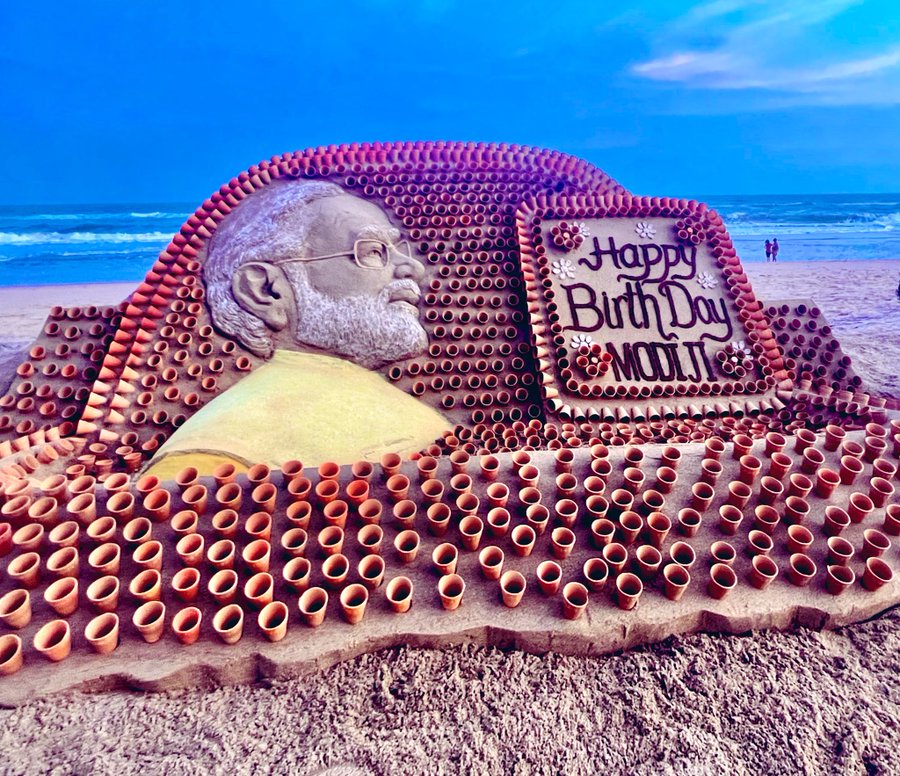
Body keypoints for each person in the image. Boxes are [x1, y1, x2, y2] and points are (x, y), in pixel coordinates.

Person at [144, 180, 449, 476]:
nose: (414, 268)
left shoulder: (367, 393)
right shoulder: (212, 461)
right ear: (265, 291)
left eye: (396, 249)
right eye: (372, 251)